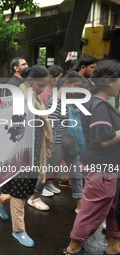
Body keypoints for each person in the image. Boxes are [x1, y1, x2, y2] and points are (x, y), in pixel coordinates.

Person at [0, 65, 53, 247]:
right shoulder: (17, 97)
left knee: (26, 188)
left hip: (34, 150)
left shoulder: (34, 97)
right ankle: (18, 229)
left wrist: (46, 145)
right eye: (40, 85)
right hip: (18, 153)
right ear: (29, 81)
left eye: (45, 85)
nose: (43, 89)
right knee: (20, 189)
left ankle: (0, 200)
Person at [63, 60, 120, 255]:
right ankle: (73, 248)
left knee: (112, 207)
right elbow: (104, 138)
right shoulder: (99, 106)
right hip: (102, 168)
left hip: (105, 165)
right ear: (110, 81)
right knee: (93, 210)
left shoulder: (96, 102)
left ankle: (113, 246)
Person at [28, 71, 84, 212]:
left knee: (76, 173)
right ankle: (34, 197)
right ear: (66, 84)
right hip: (58, 142)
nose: (76, 89)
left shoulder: (66, 100)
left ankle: (80, 204)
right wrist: (49, 145)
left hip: (69, 142)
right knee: (47, 172)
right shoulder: (56, 101)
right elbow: (50, 124)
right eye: (75, 86)